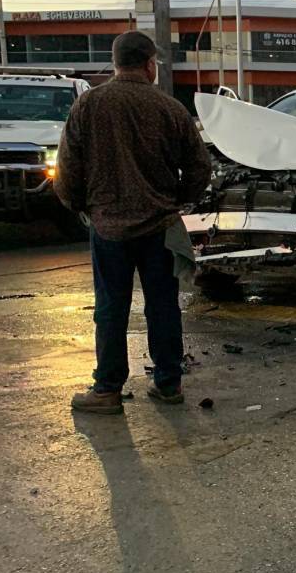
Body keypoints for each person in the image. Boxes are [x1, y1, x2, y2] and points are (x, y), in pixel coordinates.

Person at [55, 31, 212, 415]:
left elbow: (67, 168)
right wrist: (177, 199)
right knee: (163, 305)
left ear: (116, 62)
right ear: (147, 64)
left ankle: (107, 388)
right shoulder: (169, 107)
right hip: (158, 227)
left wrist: (81, 206)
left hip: (108, 227)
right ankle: (168, 383)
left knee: (111, 307)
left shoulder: (89, 105)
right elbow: (199, 167)